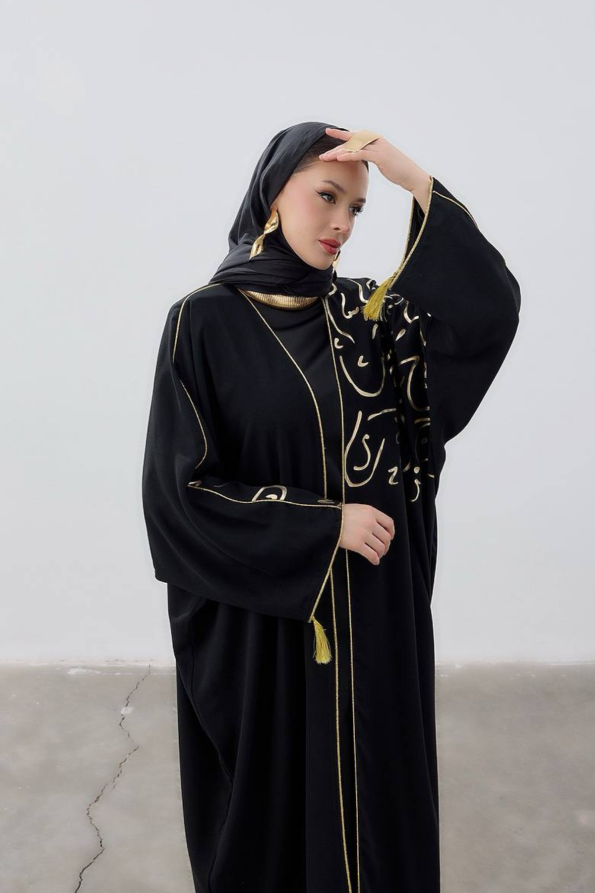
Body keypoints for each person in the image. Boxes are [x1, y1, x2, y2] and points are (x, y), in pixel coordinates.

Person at [141, 121, 521, 893]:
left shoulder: (367, 319)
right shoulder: (204, 322)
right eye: (325, 196)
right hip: (269, 632)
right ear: (272, 193)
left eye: (356, 207)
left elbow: (485, 313)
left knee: (374, 814)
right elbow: (178, 496)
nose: (342, 222)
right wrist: (321, 525)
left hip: (372, 617)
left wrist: (412, 179)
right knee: (279, 821)